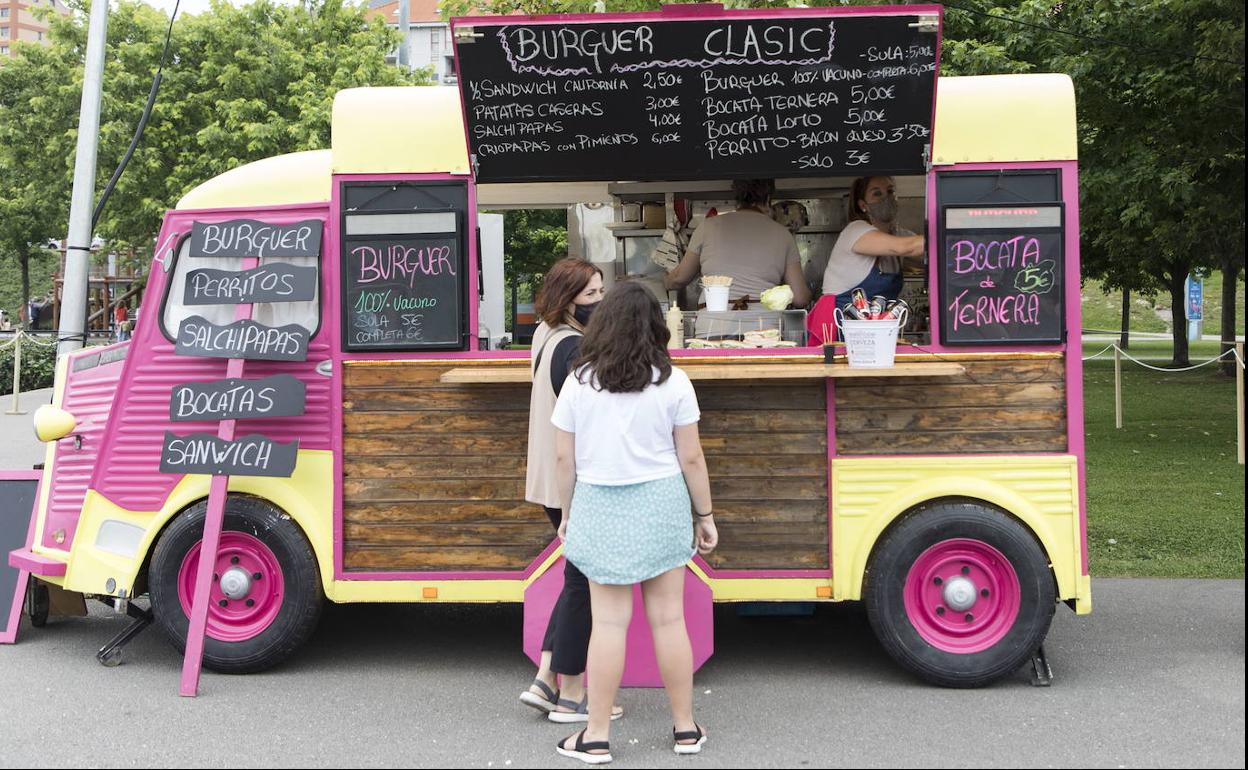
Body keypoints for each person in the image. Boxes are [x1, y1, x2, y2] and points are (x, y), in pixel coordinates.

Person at [550, 282, 718, 763]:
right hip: (661, 502)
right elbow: (692, 458)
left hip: (600, 505)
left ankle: (597, 736)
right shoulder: (675, 381)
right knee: (668, 619)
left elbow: (565, 459)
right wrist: (704, 516)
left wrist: (567, 514)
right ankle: (685, 729)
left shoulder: (580, 381)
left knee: (607, 623)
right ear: (655, 327)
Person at [520, 257, 624, 724]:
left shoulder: (546, 334)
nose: (598, 302)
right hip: (573, 483)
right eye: (589, 296)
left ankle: (545, 678)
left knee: (574, 579)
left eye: (601, 292)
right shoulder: (573, 348)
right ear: (567, 300)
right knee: (583, 586)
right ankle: (572, 696)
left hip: (549, 478)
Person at [663, 179, 811, 309]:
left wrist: (666, 281)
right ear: (768, 198)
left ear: (736, 195)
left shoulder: (707, 227)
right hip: (764, 330)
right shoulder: (783, 234)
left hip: (713, 329)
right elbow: (800, 298)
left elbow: (678, 279)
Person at [819, 175, 925, 312]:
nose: (886, 198)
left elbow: (927, 251)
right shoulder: (855, 231)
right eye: (877, 193)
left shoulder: (897, 234)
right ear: (863, 205)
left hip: (876, 327)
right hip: (839, 326)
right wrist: (946, 235)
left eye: (890, 191)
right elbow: (908, 247)